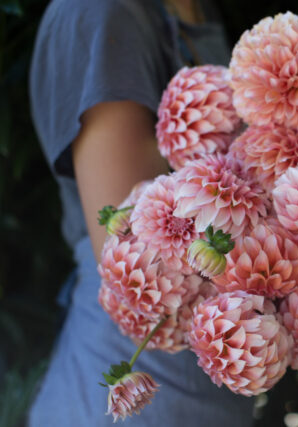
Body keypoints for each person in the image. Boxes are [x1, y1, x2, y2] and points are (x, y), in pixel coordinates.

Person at [28, 0, 254, 425]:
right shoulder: (99, 12)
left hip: (204, 385)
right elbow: (141, 254)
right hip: (134, 397)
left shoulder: (197, 9)